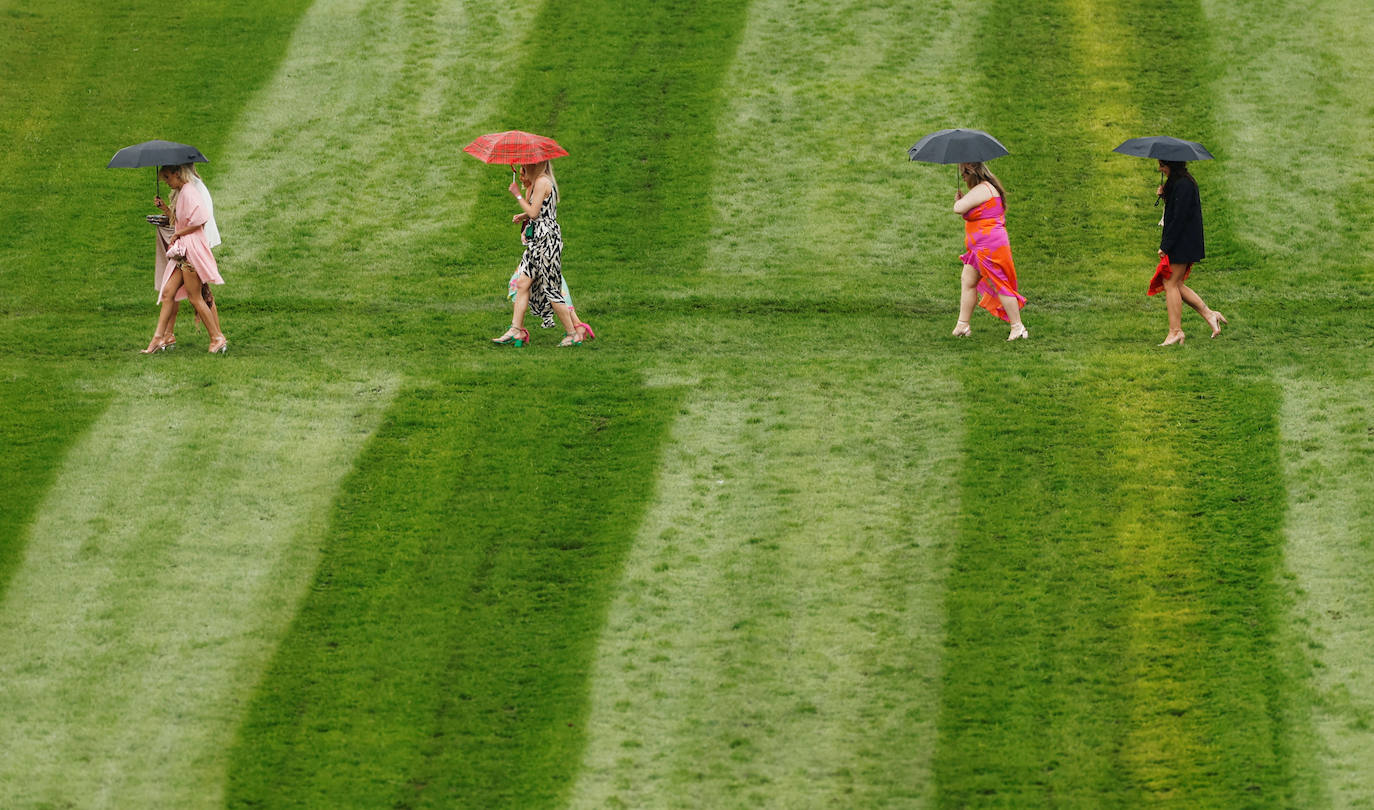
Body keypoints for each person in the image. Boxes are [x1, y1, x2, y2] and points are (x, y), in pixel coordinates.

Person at [491, 160, 594, 347]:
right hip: (537, 241)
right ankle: (516, 330)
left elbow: (533, 212)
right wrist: (522, 212)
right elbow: (541, 212)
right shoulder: (537, 181)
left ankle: (573, 333)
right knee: (522, 283)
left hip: (546, 242)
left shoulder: (542, 182)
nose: (524, 165)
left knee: (552, 290)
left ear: (536, 164)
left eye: (526, 163)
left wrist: (517, 195)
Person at [142, 164, 227, 354]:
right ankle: (159, 337)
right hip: (183, 250)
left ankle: (217, 337)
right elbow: (181, 220)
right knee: (168, 293)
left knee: (195, 297)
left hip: (190, 251)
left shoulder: (189, 191)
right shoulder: (183, 191)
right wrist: (165, 208)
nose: (167, 182)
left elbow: (200, 219)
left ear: (176, 173)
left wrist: (177, 234)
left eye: (167, 178)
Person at [1149, 159, 1226, 345]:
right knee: (1175, 283)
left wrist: (1165, 245)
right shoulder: (1179, 182)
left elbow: (1178, 219)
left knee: (1170, 283)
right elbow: (1176, 208)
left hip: (1183, 241)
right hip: (1184, 240)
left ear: (1171, 165)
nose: (1160, 168)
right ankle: (1210, 315)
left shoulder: (1183, 184)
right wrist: (1165, 194)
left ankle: (1175, 331)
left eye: (1162, 165)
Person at [951, 162, 1028, 340]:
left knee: (1001, 284)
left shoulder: (983, 188)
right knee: (968, 280)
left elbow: (958, 209)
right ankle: (963, 325)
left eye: (964, 174)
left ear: (972, 172)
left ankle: (1018, 327)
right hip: (980, 247)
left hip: (989, 247)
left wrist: (960, 201)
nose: (963, 178)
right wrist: (963, 200)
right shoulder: (983, 189)